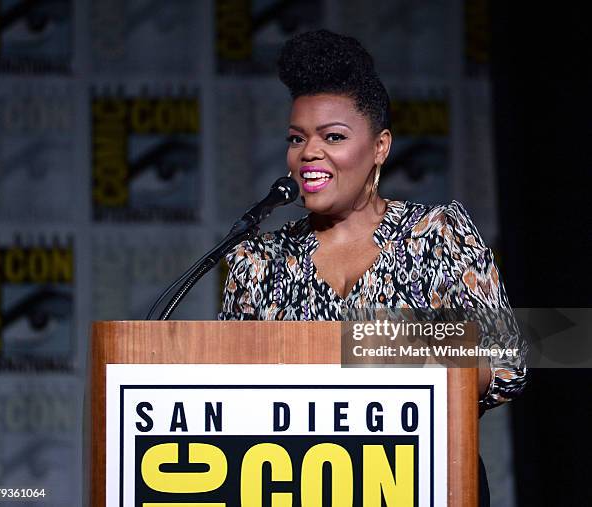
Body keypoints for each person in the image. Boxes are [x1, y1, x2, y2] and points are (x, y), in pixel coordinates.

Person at [219, 29, 526, 505]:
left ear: (380, 147)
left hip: (424, 481)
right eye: (297, 138)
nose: (309, 154)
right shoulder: (257, 261)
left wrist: (373, 350)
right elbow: (227, 392)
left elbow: (506, 360)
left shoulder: (435, 234)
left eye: (333, 137)